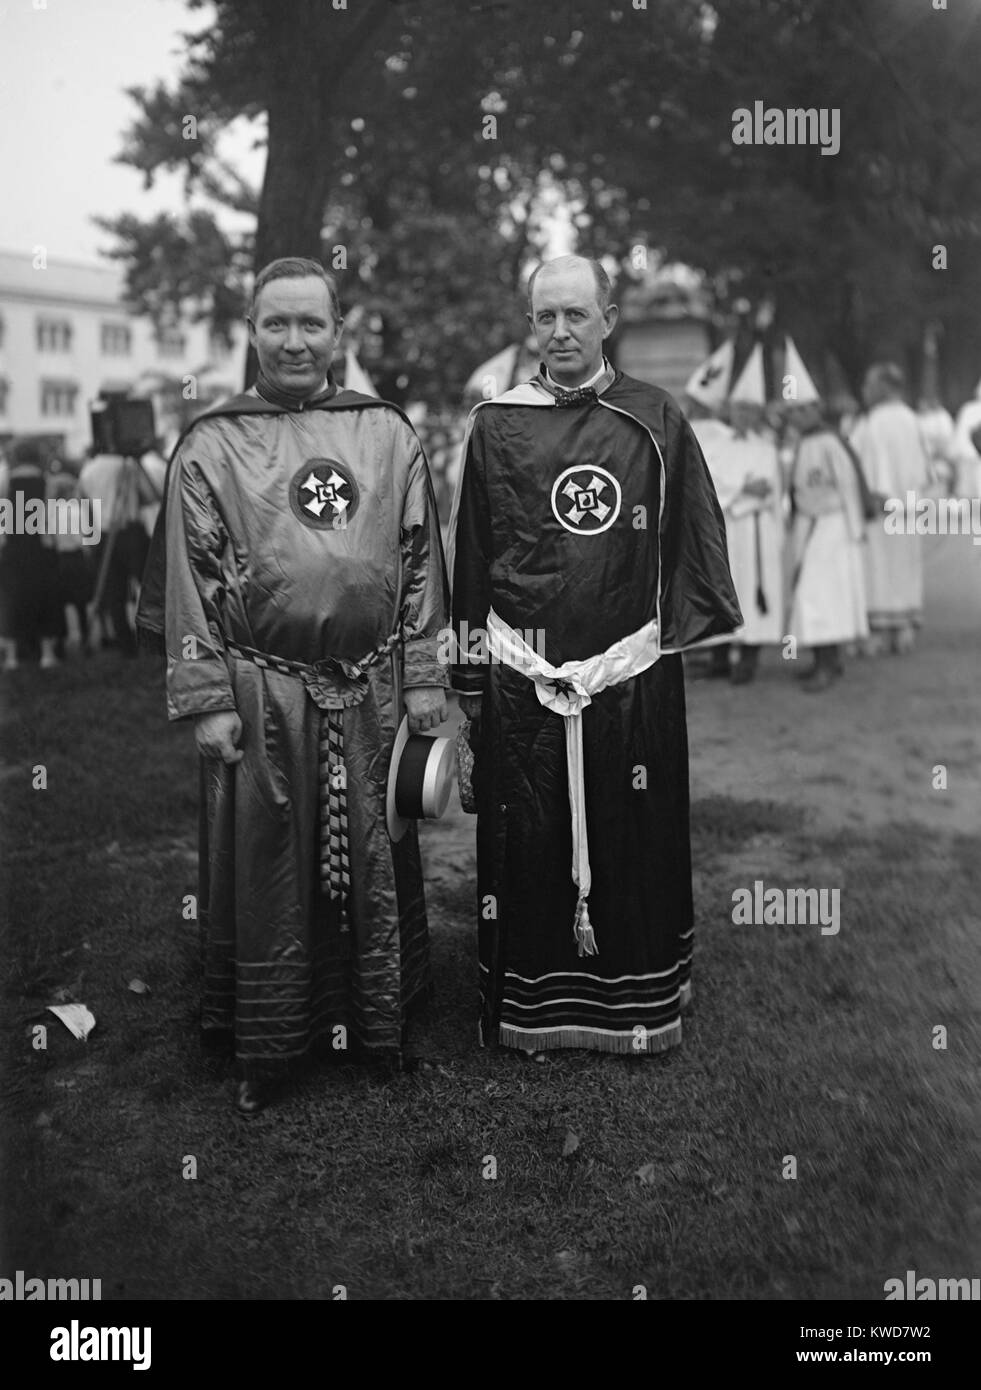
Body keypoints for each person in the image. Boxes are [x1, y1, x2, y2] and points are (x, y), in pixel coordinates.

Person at [137, 256, 449, 1113]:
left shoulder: (387, 433)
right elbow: (188, 579)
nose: (294, 340)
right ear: (251, 329)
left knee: (374, 858)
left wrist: (424, 682)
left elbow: (420, 561)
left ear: (338, 333)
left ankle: (376, 1026)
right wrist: (205, 701)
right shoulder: (210, 442)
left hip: (373, 691)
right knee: (270, 863)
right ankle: (269, 1044)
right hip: (258, 694)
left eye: (311, 323)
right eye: (276, 323)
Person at [448, 254, 741, 1057]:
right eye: (545, 316)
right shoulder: (493, 424)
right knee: (530, 844)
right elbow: (471, 557)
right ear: (529, 325)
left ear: (608, 319)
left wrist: (663, 638)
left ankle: (639, 995)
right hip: (523, 681)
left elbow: (693, 537)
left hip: (630, 680)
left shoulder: (654, 416)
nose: (560, 331)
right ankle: (528, 1006)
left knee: (630, 837)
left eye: (577, 314)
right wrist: (469, 682)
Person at [700, 344, 784, 685]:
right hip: (725, 529)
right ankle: (720, 657)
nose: (745, 416)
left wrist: (739, 494)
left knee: (752, 591)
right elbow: (710, 485)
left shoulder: (766, 447)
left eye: (751, 411)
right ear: (730, 411)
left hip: (754, 530)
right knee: (723, 590)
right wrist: (740, 490)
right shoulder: (716, 447)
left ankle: (748, 658)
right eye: (740, 410)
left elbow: (767, 489)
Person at [784, 360, 870, 692]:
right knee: (812, 592)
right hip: (810, 523)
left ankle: (828, 663)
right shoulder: (802, 444)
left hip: (832, 524)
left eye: (801, 412)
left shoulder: (830, 442)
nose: (796, 418)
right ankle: (826, 659)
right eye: (793, 413)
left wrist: (854, 530)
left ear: (814, 410)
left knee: (819, 594)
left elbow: (848, 484)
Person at [849, 362, 931, 654]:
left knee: (879, 566)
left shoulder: (874, 422)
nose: (865, 391)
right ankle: (903, 630)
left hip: (881, 508)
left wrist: (876, 494)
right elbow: (924, 468)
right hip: (908, 507)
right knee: (905, 565)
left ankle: (879, 632)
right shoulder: (913, 419)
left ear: (884, 387)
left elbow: (868, 464)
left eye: (869, 385)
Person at [0, 439, 63, 670]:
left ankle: (12, 657)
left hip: (13, 547)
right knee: (45, 598)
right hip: (40, 547)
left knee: (12, 600)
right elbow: (51, 520)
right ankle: (46, 655)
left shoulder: (4, 480)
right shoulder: (49, 482)